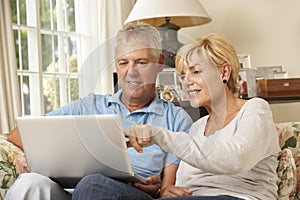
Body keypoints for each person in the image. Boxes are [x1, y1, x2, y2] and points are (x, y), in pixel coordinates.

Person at [5, 23, 192, 200]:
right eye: (123, 62)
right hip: (73, 191)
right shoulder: (89, 106)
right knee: (30, 183)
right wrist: (34, 155)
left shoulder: (176, 119)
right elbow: (17, 135)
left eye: (141, 62)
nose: (131, 71)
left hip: (133, 195)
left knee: (92, 184)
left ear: (159, 63)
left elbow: (169, 188)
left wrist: (159, 189)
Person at [122, 33, 281, 200]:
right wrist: (167, 191)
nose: (186, 81)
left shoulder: (255, 109)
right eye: (183, 75)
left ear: (224, 72)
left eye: (196, 72)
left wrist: (159, 135)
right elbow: (185, 183)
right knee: (97, 185)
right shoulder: (197, 127)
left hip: (239, 197)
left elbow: (237, 159)